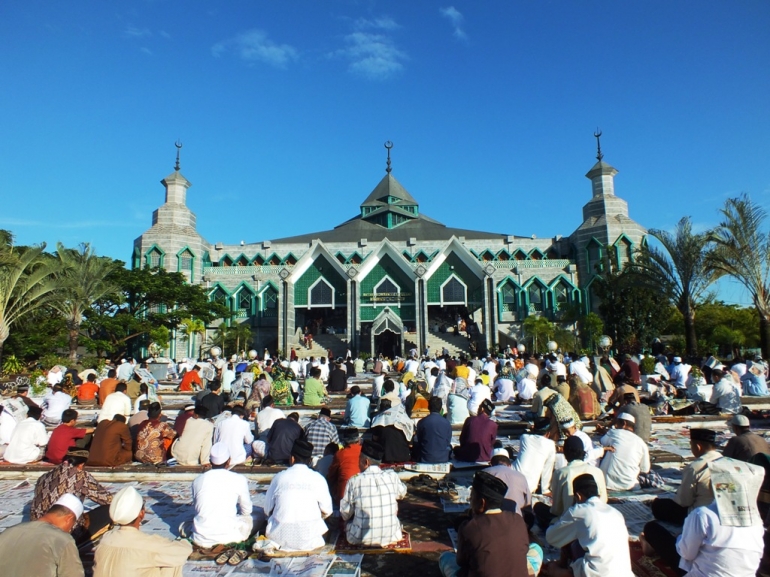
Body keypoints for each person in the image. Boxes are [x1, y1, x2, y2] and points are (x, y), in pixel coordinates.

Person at [641, 459, 765, 577]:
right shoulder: (756, 520)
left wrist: (682, 539)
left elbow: (686, 553)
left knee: (652, 529)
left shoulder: (703, 514)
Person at [438, 471, 543, 577]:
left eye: (472, 497)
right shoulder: (518, 519)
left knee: (446, 558)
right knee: (535, 548)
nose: (470, 501)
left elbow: (461, 562)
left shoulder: (468, 528)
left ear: (482, 503)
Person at [544, 474, 633, 577]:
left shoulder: (579, 511)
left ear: (578, 496)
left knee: (569, 537)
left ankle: (565, 573)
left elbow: (551, 537)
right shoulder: (616, 513)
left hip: (596, 573)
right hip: (623, 573)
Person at [94, 485, 191, 577]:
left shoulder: (105, 539)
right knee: (173, 561)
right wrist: (184, 541)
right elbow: (184, 551)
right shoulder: (147, 543)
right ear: (141, 513)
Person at [31, 449, 113, 544]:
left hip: (38, 528)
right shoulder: (81, 475)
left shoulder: (44, 476)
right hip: (65, 532)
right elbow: (107, 499)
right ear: (81, 464)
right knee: (110, 508)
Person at [265, 439, 333, 550]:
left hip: (279, 538)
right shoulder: (318, 478)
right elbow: (328, 510)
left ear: (292, 458)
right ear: (310, 461)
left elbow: (267, 509)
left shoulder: (279, 477)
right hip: (310, 541)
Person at [0, 493, 85, 577]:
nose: (69, 529)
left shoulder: (6, 533)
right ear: (69, 519)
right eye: (72, 525)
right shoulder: (62, 539)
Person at [341, 440, 407, 547]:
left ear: (366, 462)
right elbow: (402, 493)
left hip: (360, 538)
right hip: (392, 535)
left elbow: (345, 513)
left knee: (347, 523)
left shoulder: (354, 480)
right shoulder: (391, 476)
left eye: (359, 460)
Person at [650, 428, 721, 525]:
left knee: (658, 505)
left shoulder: (694, 467)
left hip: (700, 515)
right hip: (723, 512)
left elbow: (683, 501)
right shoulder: (727, 462)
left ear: (698, 446)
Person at [191, 443, 255, 548]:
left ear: (211, 462)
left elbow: (197, 507)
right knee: (256, 516)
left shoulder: (197, 480)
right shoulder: (239, 479)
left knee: (186, 524)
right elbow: (247, 510)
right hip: (230, 537)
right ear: (229, 461)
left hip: (201, 539)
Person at [534, 436, 607, 528]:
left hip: (570, 522)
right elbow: (604, 500)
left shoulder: (561, 473)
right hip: (597, 518)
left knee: (539, 508)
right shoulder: (598, 472)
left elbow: (556, 510)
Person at [598, 412, 650, 490]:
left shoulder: (614, 432)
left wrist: (603, 432)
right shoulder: (641, 442)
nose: (615, 426)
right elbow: (645, 469)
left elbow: (602, 441)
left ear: (624, 424)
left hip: (607, 484)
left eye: (617, 423)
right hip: (630, 486)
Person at [512, 417, 557, 494]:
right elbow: (547, 469)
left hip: (513, 477)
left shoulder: (524, 437)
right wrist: (545, 489)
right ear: (548, 434)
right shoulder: (550, 445)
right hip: (529, 486)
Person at [484, 447, 532, 516]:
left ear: (491, 464)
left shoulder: (484, 473)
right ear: (509, 464)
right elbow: (528, 505)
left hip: (490, 521)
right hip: (516, 521)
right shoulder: (521, 476)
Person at [454, 399, 498, 463]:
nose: (477, 409)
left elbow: (462, 439)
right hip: (486, 456)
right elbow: (492, 443)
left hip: (467, 456)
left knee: (456, 449)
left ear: (482, 409)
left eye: (479, 407)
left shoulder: (469, 420)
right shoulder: (493, 425)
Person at [328, 429, 364, 501]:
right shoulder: (364, 451)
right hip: (363, 493)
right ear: (359, 440)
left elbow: (331, 475)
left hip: (344, 496)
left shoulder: (340, 454)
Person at [415, 396, 453, 463]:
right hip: (443, 458)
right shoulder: (447, 423)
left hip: (425, 458)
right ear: (441, 408)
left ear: (428, 407)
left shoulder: (421, 422)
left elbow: (419, 441)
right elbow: (447, 442)